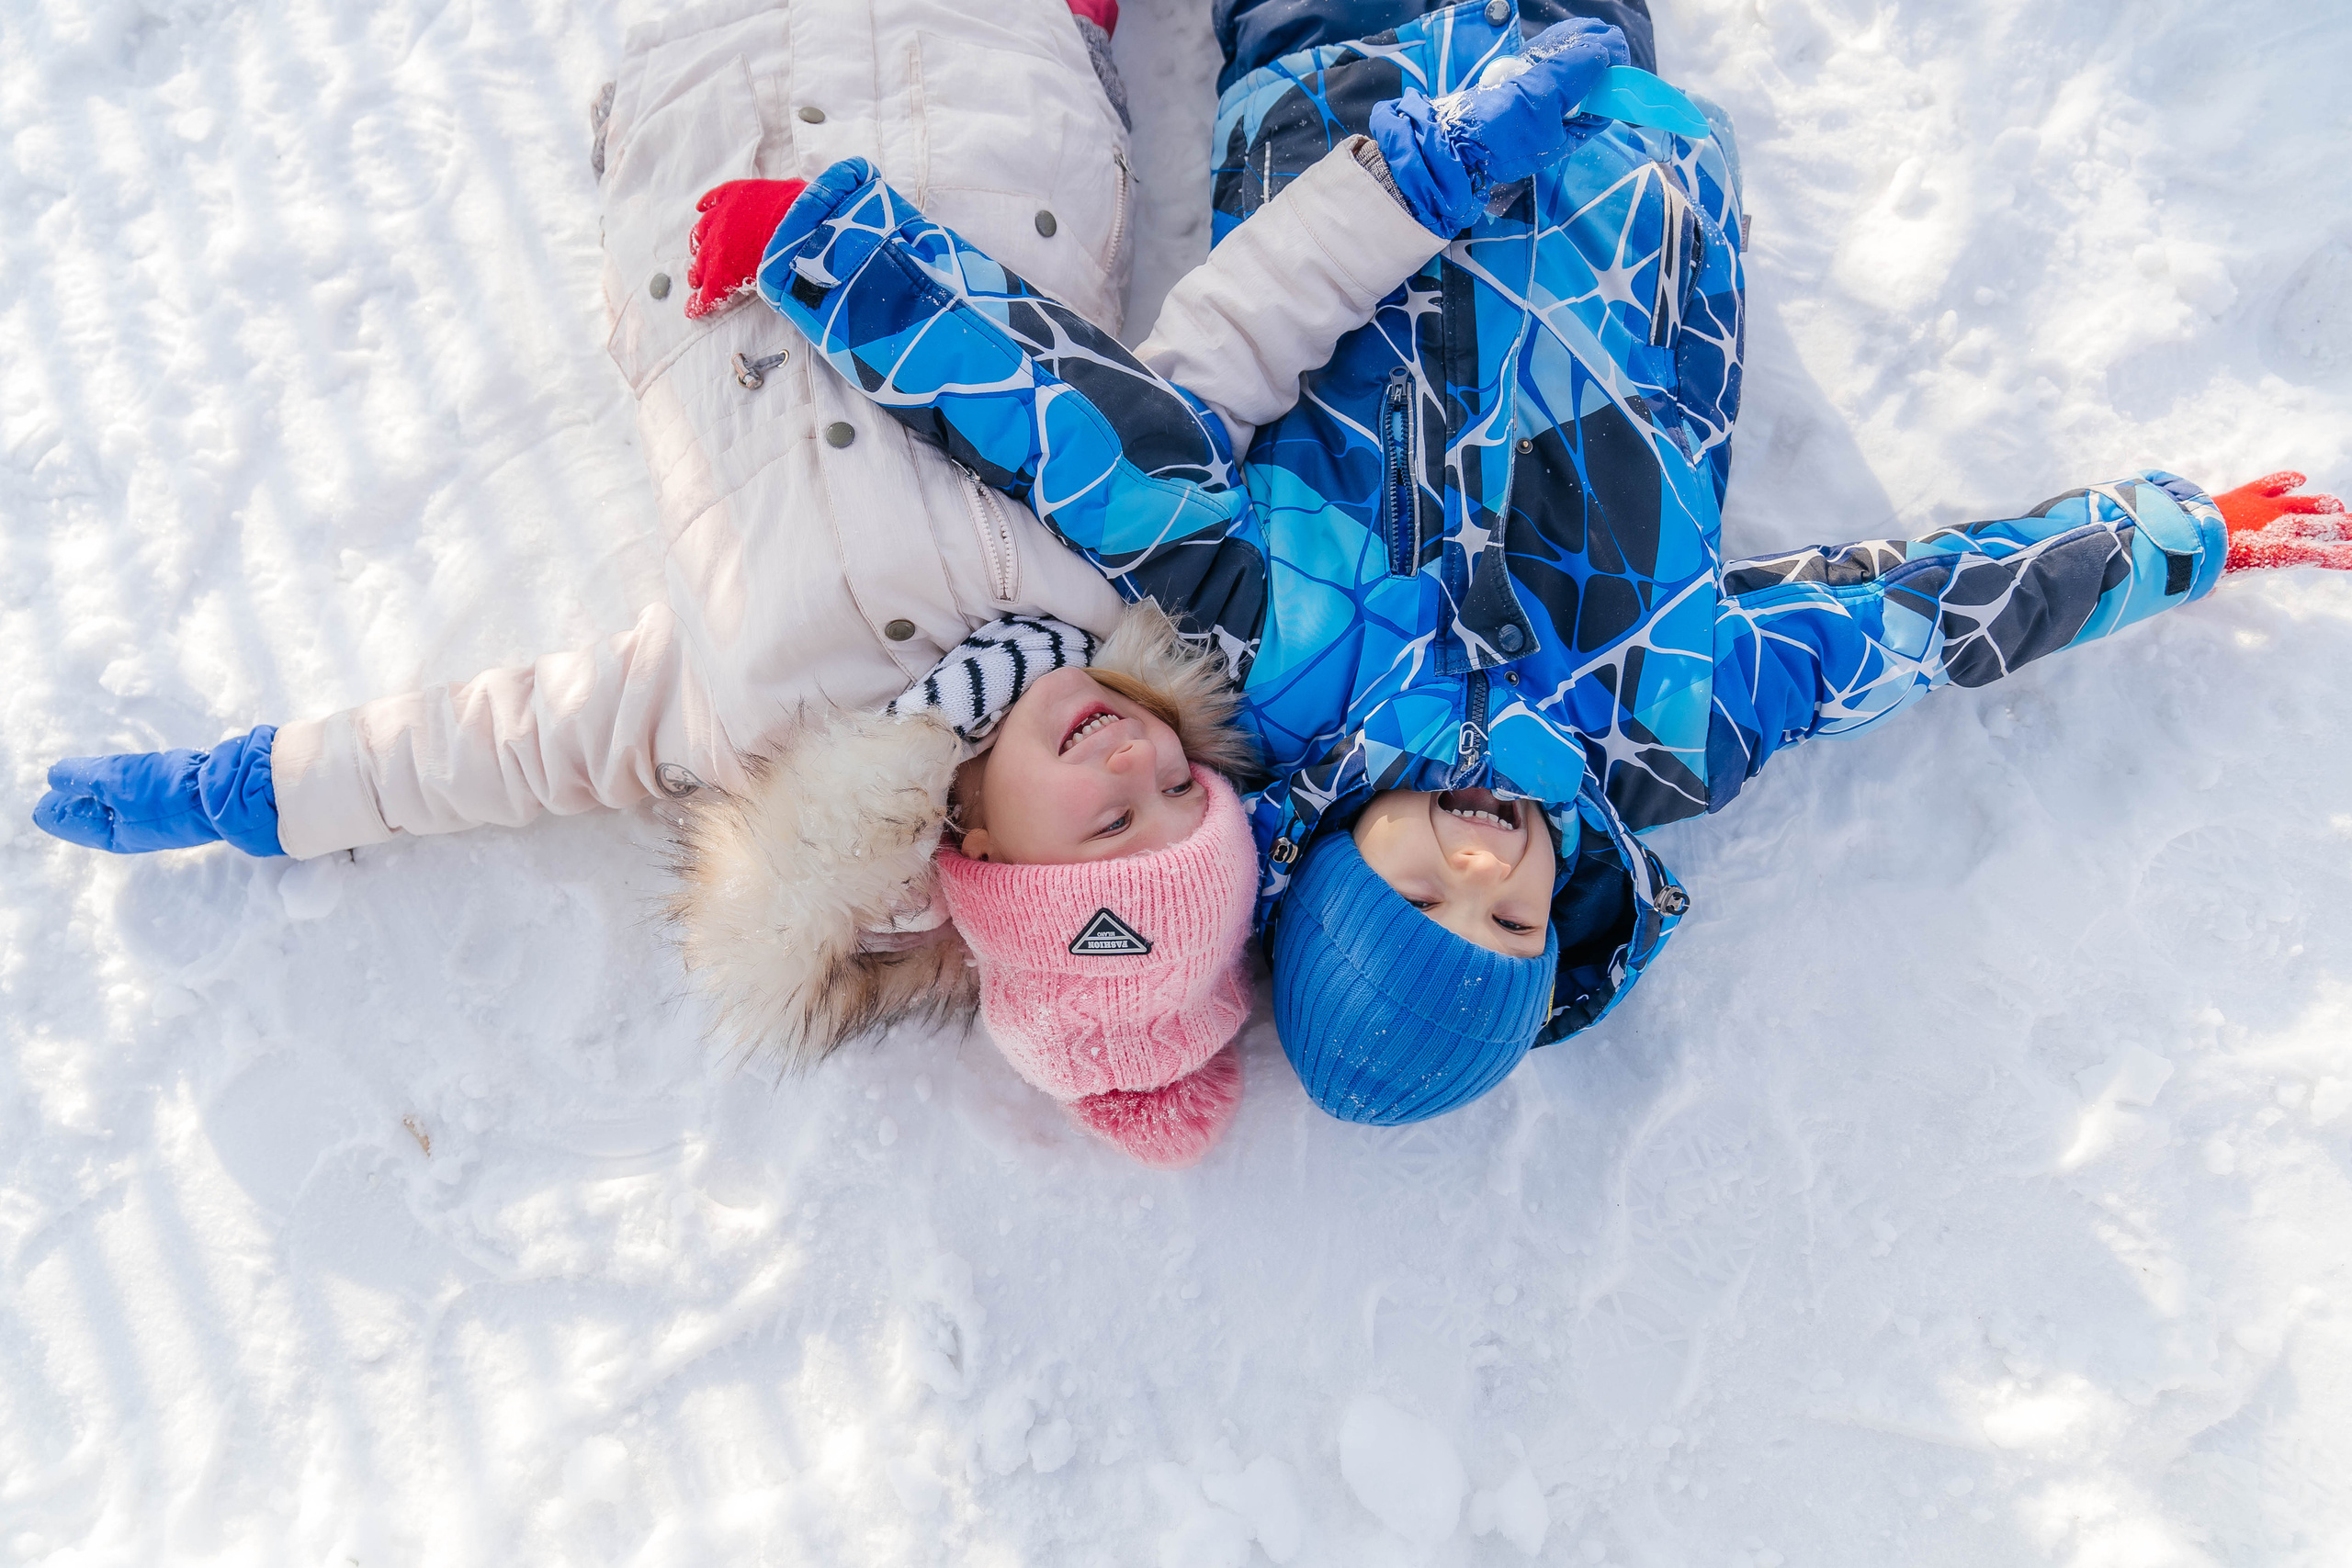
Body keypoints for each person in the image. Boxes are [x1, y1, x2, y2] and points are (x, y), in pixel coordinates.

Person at [708, 0, 2350, 1129]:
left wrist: (836, 257)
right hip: (1604, 143)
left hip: (1354, 80)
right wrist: (2171, 538)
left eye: (1424, 896)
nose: (1486, 868)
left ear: (1329, 884)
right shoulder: (1667, 730)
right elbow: (1909, 624)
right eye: (1509, 923)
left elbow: (1103, 453)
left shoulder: (1272, 675)